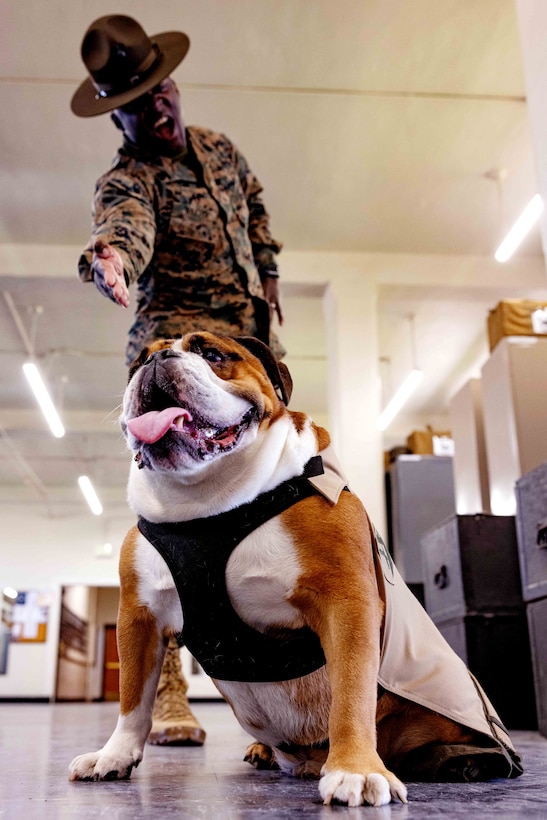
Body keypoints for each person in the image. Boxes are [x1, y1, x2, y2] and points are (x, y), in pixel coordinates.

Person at [71, 14, 285, 746]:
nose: (155, 108)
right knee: (168, 517)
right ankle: (165, 693)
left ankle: (280, 696)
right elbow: (121, 226)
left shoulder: (219, 149)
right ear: (115, 112)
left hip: (245, 350)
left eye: (161, 91)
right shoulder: (129, 179)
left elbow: (253, 210)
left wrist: (272, 276)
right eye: (135, 102)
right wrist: (111, 260)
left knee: (273, 508)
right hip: (172, 357)